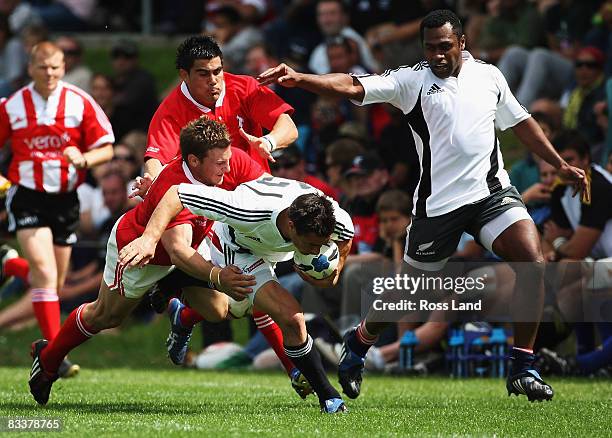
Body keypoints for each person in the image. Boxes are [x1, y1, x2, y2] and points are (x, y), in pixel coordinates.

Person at [257, 9, 587, 402]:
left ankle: (523, 365)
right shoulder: (411, 81)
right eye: (430, 48)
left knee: (532, 260)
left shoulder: (489, 77)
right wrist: (301, 78)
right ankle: (360, 342)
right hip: (438, 208)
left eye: (445, 47)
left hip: (491, 194)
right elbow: (349, 84)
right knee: (408, 294)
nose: (437, 55)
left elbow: (520, 122)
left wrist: (560, 165)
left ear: (462, 44)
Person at [26, 117, 310, 406]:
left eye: (228, 159)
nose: (228, 168)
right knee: (106, 316)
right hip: (141, 250)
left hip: (193, 245)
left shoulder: (227, 160)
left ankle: (178, 306)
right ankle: (47, 359)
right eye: (220, 163)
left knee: (219, 309)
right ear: (194, 161)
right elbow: (178, 251)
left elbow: (265, 191)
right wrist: (219, 276)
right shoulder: (175, 187)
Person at [119, 176, 355, 413]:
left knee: (230, 309)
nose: (317, 252)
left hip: (271, 248)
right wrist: (148, 239)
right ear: (292, 226)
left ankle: (183, 289)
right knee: (286, 317)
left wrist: (335, 271)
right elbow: (175, 193)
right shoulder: (244, 208)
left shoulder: (330, 216)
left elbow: (347, 235)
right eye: (313, 246)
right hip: (239, 248)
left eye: (321, 245)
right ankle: (329, 396)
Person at [0, 41, 114, 376]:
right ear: (30, 68)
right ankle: (53, 356)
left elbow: (106, 148)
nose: (49, 74)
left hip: (66, 200)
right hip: (27, 195)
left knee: (53, 284)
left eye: (55, 67)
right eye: (42, 67)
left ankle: (10, 263)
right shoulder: (12, 106)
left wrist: (85, 158)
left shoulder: (80, 102)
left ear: (63, 68)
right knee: (46, 277)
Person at [144, 35, 297, 177]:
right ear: (184, 75)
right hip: (204, 200)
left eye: (217, 71)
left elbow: (288, 127)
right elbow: (156, 160)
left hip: (254, 189)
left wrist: (268, 142)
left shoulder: (245, 88)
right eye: (203, 74)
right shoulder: (170, 110)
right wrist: (151, 181)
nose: (213, 80)